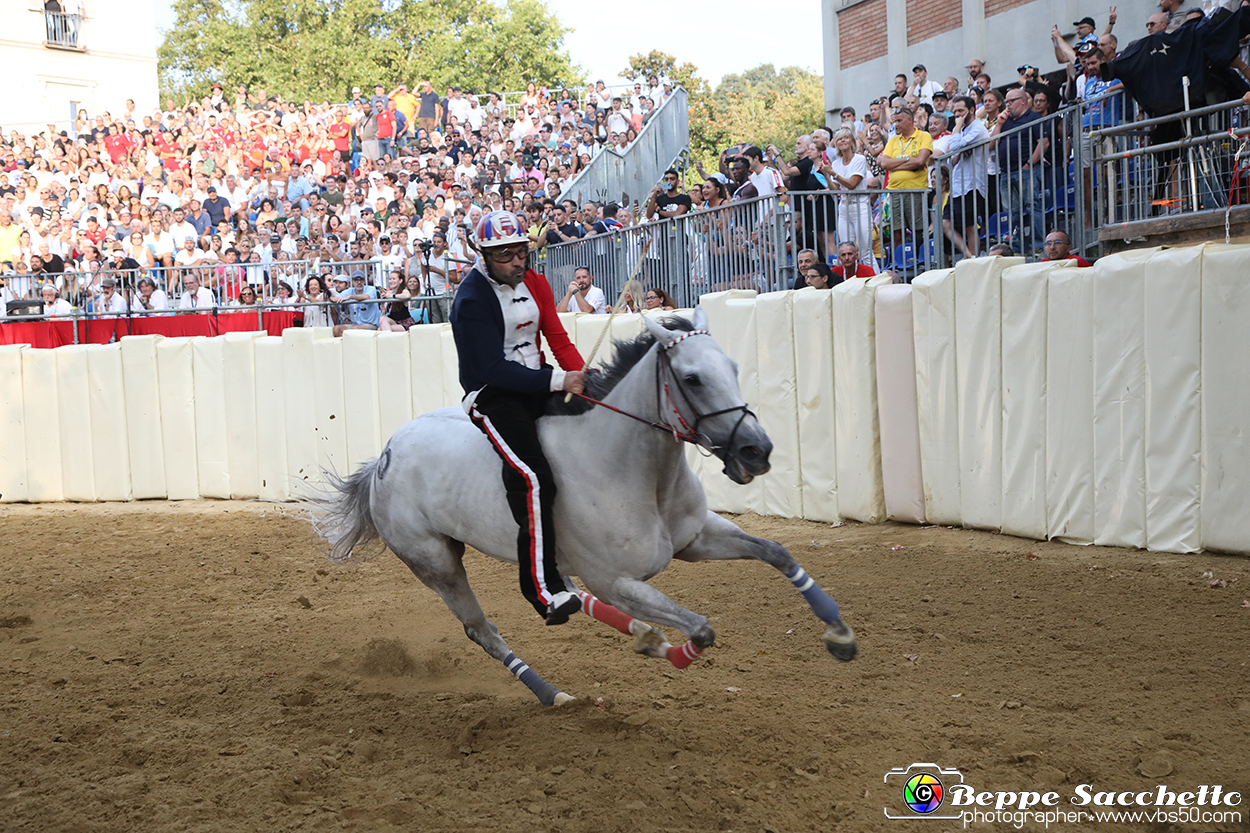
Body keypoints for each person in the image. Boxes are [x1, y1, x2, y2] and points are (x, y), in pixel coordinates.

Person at [450, 210, 586, 625]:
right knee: (533, 476)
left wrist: (581, 379)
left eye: (521, 252)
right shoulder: (471, 300)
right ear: (485, 256)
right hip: (494, 396)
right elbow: (491, 370)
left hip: (540, 382)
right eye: (505, 254)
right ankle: (543, 589)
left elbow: (556, 337)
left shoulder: (535, 282)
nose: (517, 261)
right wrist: (560, 380)